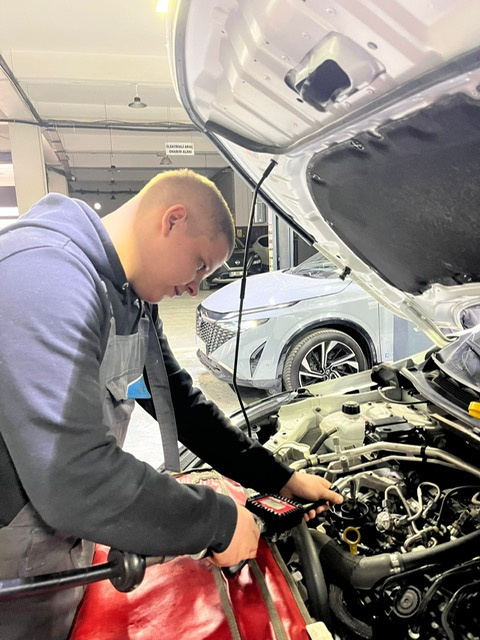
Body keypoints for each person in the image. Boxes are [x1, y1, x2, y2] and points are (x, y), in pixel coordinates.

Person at [0, 169, 342, 639]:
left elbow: (181, 406)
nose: (195, 287)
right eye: (199, 264)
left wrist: (280, 478)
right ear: (172, 220)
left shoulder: (131, 299)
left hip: (55, 546)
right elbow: (74, 478)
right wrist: (217, 520)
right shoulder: (46, 274)